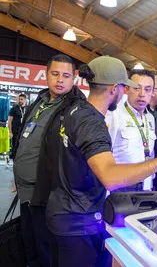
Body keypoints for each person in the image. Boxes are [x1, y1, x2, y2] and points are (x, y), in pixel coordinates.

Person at [45, 56, 157, 267]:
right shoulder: (93, 123)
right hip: (78, 221)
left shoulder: (77, 109)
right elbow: (110, 177)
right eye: (124, 88)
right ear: (114, 88)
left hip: (66, 214)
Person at [13, 54, 85, 267]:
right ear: (46, 75)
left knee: (45, 247)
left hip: (47, 193)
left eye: (66, 75)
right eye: (55, 74)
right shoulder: (40, 101)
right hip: (25, 188)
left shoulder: (75, 109)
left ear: (74, 78)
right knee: (30, 243)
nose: (60, 79)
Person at [107, 69, 156, 191]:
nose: (142, 94)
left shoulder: (150, 118)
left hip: (146, 186)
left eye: (148, 89)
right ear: (126, 89)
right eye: (136, 88)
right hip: (121, 187)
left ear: (153, 92)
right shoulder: (113, 115)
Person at [8, 93, 28, 159]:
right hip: (15, 131)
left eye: (21, 99)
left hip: (25, 131)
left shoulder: (28, 109)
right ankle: (14, 159)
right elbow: (10, 121)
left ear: (25, 100)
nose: (20, 100)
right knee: (15, 146)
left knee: (23, 146)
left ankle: (21, 159)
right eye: (19, 99)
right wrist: (10, 132)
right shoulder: (14, 109)